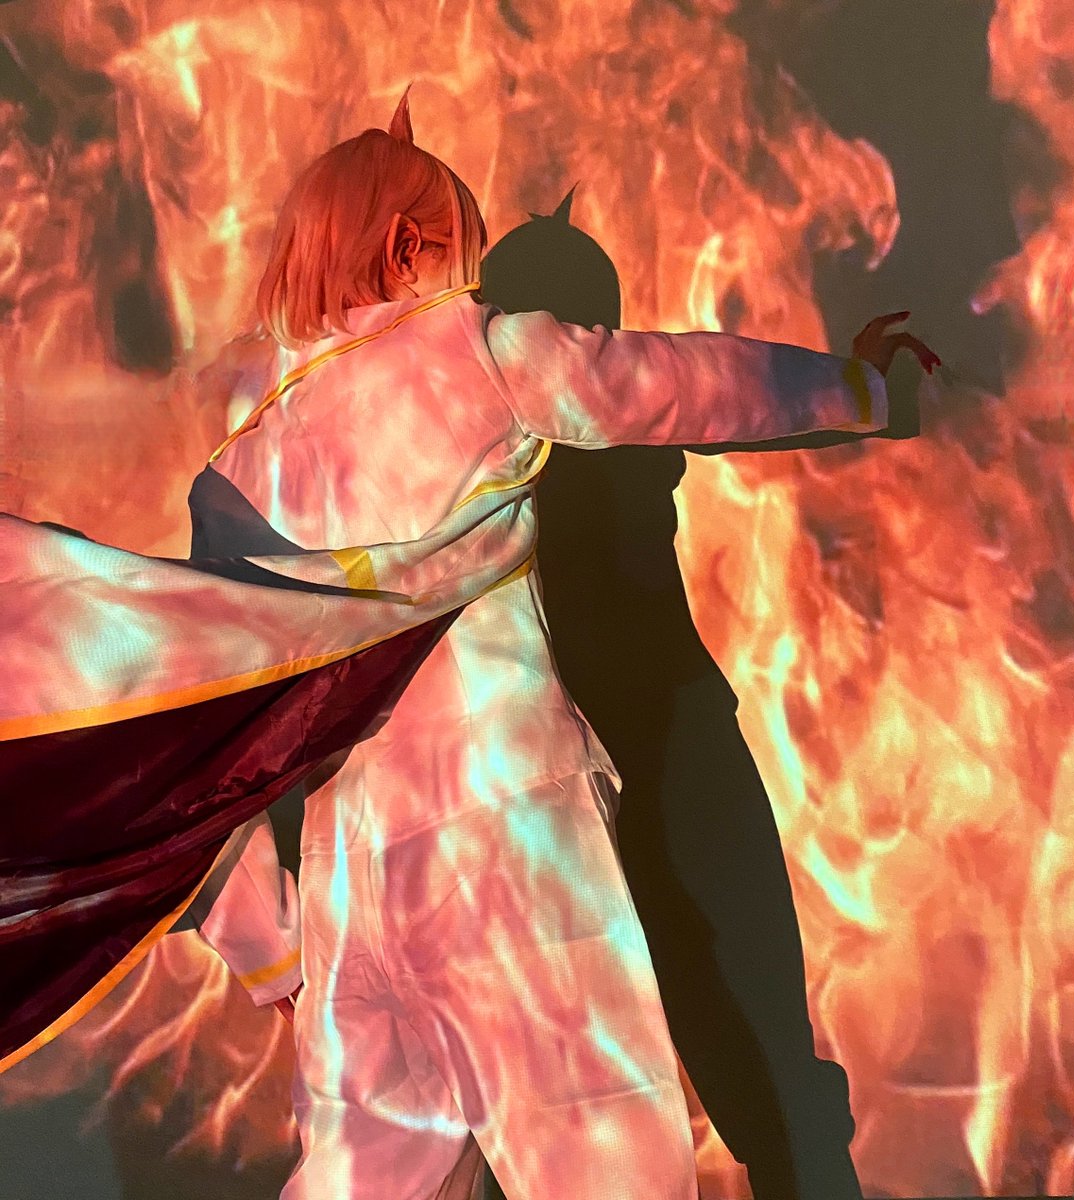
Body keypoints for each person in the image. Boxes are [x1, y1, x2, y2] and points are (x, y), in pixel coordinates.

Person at [165, 85, 938, 1200]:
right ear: (405, 249)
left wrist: (268, 947)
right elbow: (695, 386)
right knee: (604, 1171)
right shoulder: (486, 356)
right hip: (509, 854)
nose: (475, 287)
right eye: (463, 255)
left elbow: (211, 739)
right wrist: (864, 388)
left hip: (351, 898)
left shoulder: (234, 482)